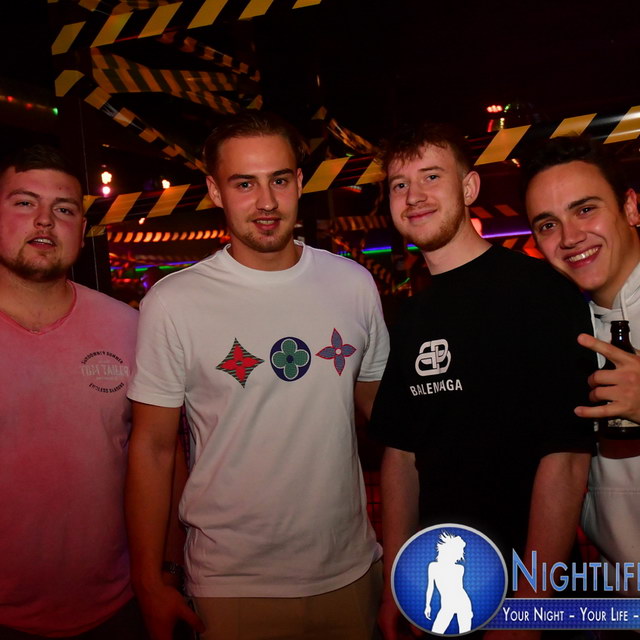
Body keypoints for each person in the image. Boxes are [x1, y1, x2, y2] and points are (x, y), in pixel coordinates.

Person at [125, 111, 390, 640]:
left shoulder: (353, 285)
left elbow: (387, 418)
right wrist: (149, 582)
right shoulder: (174, 302)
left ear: (300, 182)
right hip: (231, 585)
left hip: (351, 570)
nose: (266, 202)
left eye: (280, 180)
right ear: (215, 191)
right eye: (244, 183)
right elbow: (152, 449)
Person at [368, 122, 597, 639]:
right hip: (444, 584)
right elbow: (401, 456)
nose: (414, 195)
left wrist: (530, 607)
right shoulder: (412, 316)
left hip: (530, 592)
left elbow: (565, 457)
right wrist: (396, 584)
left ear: (469, 187)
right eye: (401, 184)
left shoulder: (541, 292)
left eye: (432, 176)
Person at [0, 146, 144, 638]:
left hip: (117, 608)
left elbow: (158, 456)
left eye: (63, 209)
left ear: (82, 231)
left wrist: (163, 575)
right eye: (24, 203)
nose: (44, 220)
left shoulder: (130, 328)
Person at [522, 135, 640, 596]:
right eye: (548, 224)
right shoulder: (560, 333)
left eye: (585, 209)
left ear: (630, 208)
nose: (570, 238)